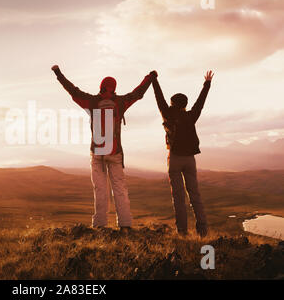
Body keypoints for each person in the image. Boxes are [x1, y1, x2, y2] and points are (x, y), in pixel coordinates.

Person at [51, 65, 155, 231]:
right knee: (119, 188)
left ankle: (100, 225)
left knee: (100, 189)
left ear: (101, 86)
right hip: (115, 152)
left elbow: (73, 91)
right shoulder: (120, 102)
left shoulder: (91, 101)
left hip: (97, 152)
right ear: (114, 88)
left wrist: (58, 73)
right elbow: (138, 93)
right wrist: (149, 78)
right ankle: (125, 224)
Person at [150, 70, 214, 237]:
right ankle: (203, 231)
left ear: (172, 104)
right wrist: (207, 84)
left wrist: (154, 80)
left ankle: (183, 232)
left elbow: (159, 97)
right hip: (190, 160)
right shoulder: (191, 115)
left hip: (175, 159)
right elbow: (201, 102)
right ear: (185, 104)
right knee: (195, 195)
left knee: (178, 198)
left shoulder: (167, 113)